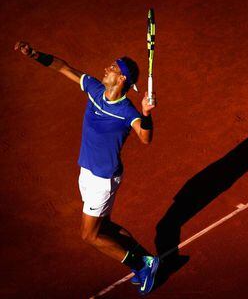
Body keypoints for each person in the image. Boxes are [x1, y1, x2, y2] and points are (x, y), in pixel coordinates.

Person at [14, 41, 159, 295]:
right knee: (104, 227)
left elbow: (145, 138)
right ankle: (146, 259)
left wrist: (146, 113)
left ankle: (141, 266)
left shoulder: (127, 111)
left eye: (113, 67)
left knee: (89, 236)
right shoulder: (93, 87)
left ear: (122, 78)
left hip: (102, 180)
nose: (106, 68)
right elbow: (64, 68)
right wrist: (35, 54)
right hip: (88, 172)